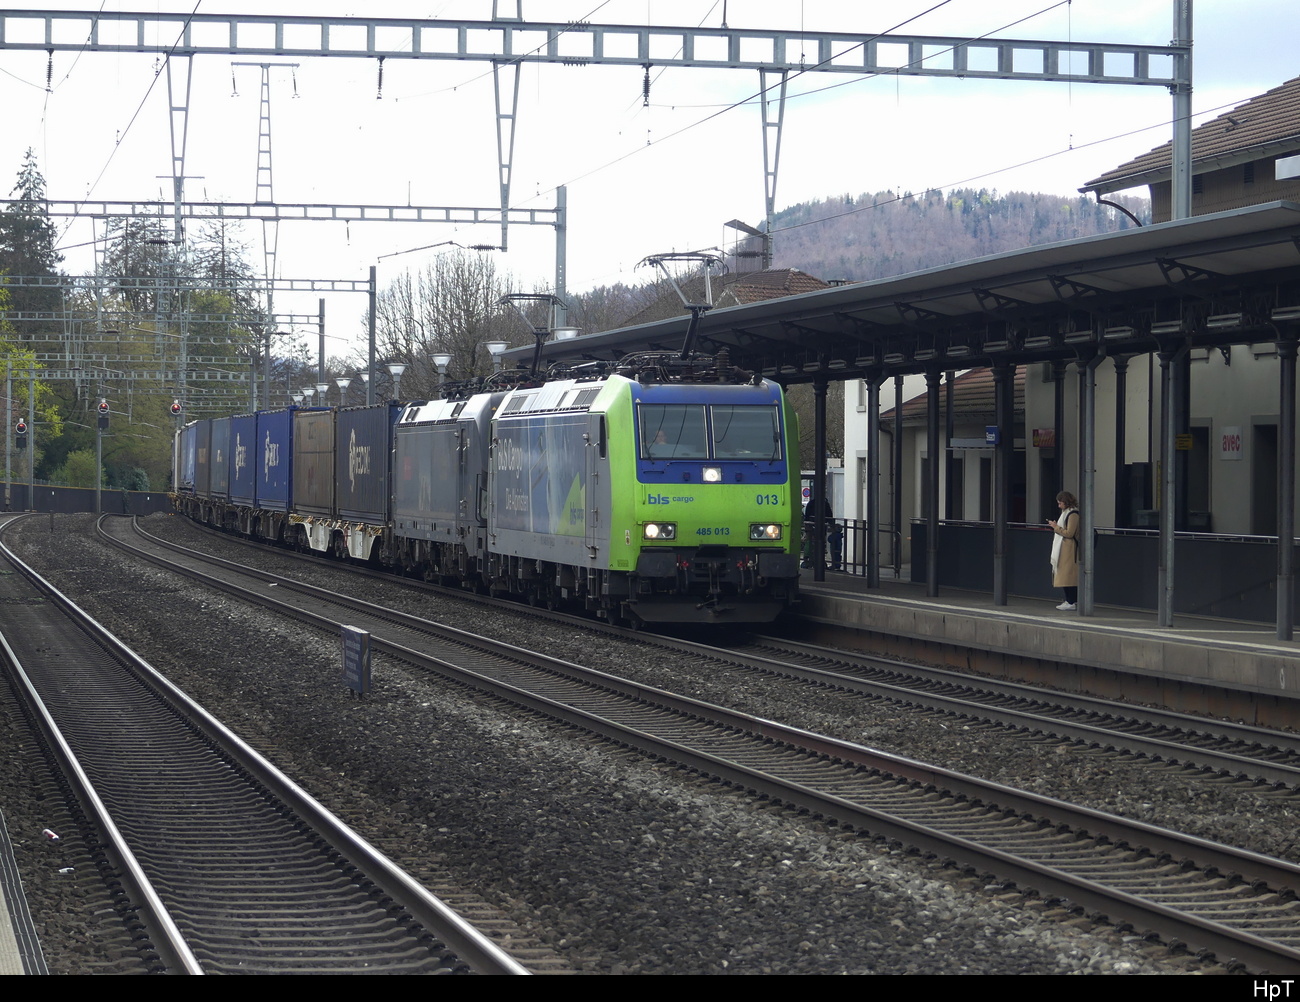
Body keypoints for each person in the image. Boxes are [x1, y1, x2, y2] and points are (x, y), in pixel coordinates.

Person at [1047, 490, 1080, 610]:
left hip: (1070, 550)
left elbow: (1070, 533)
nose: (1059, 506)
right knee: (1065, 576)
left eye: (1060, 503)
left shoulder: (1073, 514)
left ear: (1066, 502)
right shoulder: (1067, 513)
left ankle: (1071, 602)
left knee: (1068, 577)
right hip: (1065, 549)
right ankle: (1069, 600)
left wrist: (1056, 528)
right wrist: (1057, 527)